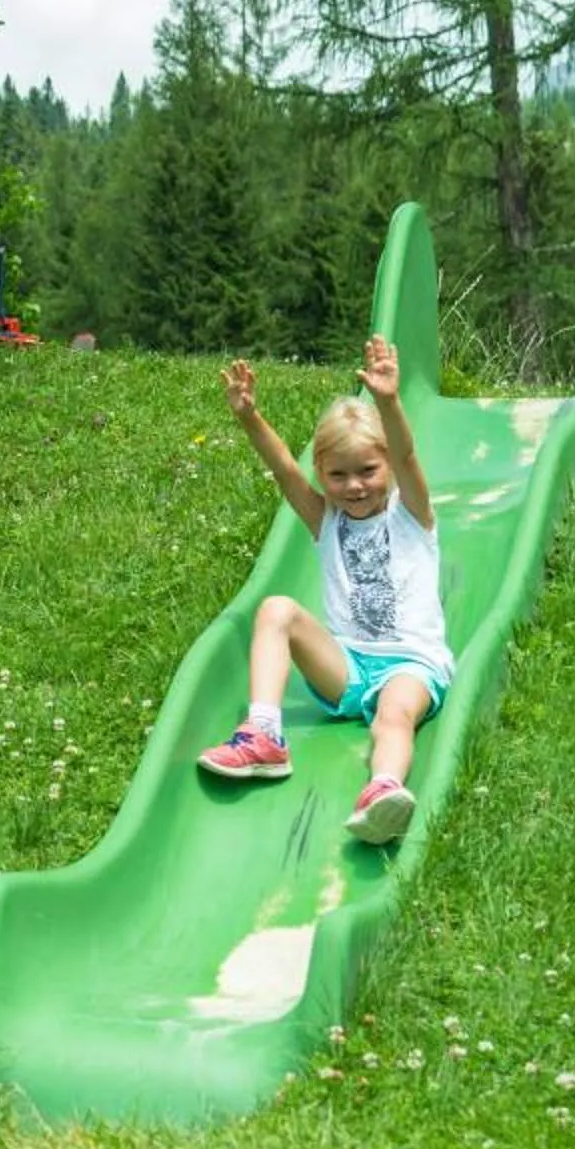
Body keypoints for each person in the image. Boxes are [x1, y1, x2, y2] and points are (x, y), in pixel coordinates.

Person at [194, 335, 450, 846]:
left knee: (393, 717)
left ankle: (383, 790)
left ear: (387, 467)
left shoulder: (411, 515)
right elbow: (284, 470)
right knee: (277, 608)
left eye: (368, 471)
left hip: (410, 663)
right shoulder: (326, 520)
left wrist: (387, 401)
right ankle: (265, 733)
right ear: (322, 475)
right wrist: (248, 417)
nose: (354, 485)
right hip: (347, 666)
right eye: (338, 475)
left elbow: (405, 453)